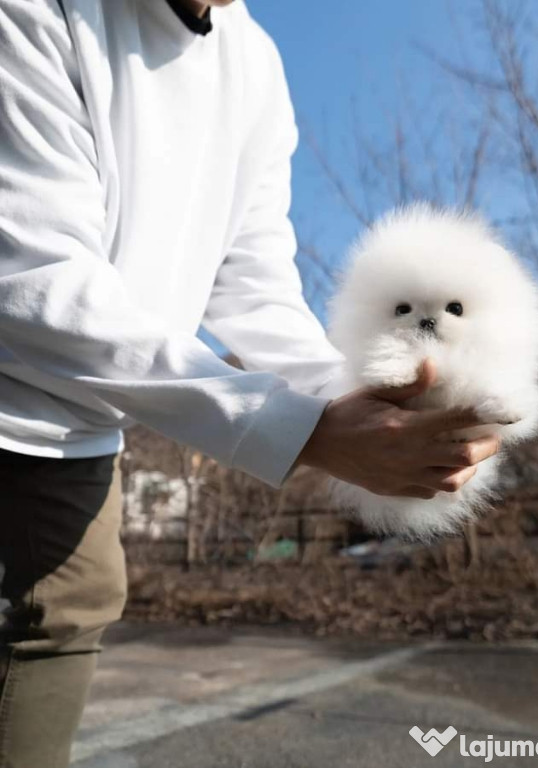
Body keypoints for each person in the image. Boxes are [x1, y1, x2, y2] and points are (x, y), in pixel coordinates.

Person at [0, 1, 500, 765]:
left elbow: (254, 283)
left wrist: (359, 402)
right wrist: (306, 431)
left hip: (82, 435)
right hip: (16, 412)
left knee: (65, 622)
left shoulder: (255, 64)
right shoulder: (34, 12)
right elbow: (35, 281)